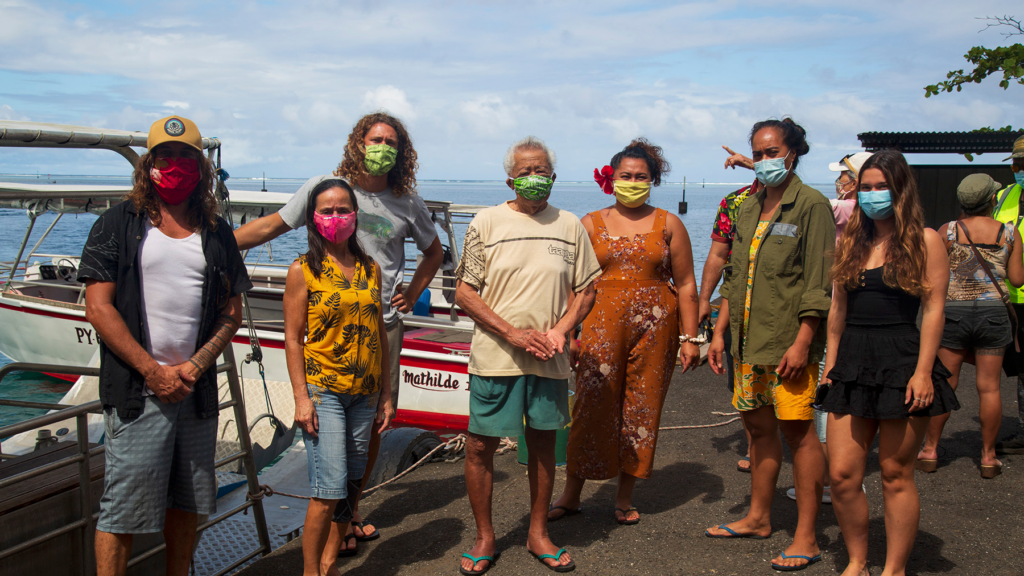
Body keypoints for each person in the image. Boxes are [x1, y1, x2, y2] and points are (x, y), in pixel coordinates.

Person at [234, 112, 443, 552]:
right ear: (358, 143)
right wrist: (217, 244)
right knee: (329, 432)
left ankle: (352, 511)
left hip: (380, 326)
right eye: (375, 139)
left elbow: (433, 251)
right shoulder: (327, 189)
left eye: (391, 141)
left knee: (371, 431)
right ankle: (335, 520)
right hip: (331, 326)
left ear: (401, 152)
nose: (382, 147)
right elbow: (274, 224)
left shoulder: (406, 201)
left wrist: (412, 291)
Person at [78, 116, 251, 576]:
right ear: (148, 164)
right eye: (165, 157)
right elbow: (98, 308)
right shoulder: (117, 223)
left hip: (196, 395)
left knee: (189, 504)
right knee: (122, 511)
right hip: (138, 394)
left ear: (202, 168)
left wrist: (194, 366)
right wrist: (153, 372)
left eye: (185, 158)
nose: (175, 165)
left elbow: (231, 312)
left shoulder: (216, 233)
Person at [454, 136, 601, 575]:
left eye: (541, 171)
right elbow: (464, 291)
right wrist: (514, 334)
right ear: (510, 178)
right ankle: (485, 537)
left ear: (553, 178)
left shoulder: (570, 225)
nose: (533, 179)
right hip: (496, 357)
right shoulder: (486, 221)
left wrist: (558, 332)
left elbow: (587, 290)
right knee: (479, 445)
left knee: (541, 446)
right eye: (525, 172)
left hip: (550, 358)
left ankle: (538, 533)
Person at [548, 138, 700, 526]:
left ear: (653, 180)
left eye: (642, 176)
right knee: (589, 408)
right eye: (626, 176)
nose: (633, 181)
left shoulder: (670, 223)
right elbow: (573, 285)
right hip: (599, 326)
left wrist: (690, 338)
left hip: (657, 330)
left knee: (642, 409)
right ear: (611, 178)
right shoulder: (589, 223)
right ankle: (572, 492)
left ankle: (625, 495)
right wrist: (570, 333)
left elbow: (686, 285)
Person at [822, 149, 959, 576]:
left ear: (900, 190)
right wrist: (830, 363)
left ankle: (893, 569)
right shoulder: (851, 242)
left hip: (902, 358)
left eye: (882, 187)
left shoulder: (926, 240)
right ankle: (857, 560)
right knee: (842, 475)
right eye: (866, 187)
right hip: (851, 362)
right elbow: (837, 311)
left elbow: (934, 308)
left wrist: (923, 371)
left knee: (895, 473)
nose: (873, 194)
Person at [706, 118, 833, 572]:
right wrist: (718, 333)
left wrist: (803, 343)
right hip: (746, 343)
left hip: (787, 346)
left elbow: (819, 286)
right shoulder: (746, 208)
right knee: (759, 431)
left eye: (771, 152)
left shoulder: (812, 207)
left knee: (798, 435)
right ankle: (759, 518)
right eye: (757, 154)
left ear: (792, 154)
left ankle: (806, 536)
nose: (764, 161)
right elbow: (733, 279)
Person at [283, 178, 394, 576]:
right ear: (313, 218)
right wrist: (301, 397)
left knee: (350, 486)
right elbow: (293, 340)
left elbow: (379, 330)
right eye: (326, 211)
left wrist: (386, 391)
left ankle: (329, 563)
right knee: (327, 489)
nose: (336, 217)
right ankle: (310, 571)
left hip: (364, 394)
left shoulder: (370, 269)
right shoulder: (303, 270)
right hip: (324, 390)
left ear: (355, 215)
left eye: (343, 209)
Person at [916, 174, 1023, 478]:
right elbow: (1016, 280)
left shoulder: (947, 231)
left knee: (945, 383)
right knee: (989, 388)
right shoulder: (1009, 232)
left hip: (953, 313)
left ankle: (930, 450)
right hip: (993, 314)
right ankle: (988, 457)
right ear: (992, 200)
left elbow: (931, 274)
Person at [698, 146, 759, 473]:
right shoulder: (734, 203)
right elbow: (718, 255)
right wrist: (704, 299)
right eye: (759, 155)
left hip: (785, 308)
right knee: (742, 382)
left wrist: (751, 164)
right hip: (737, 305)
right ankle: (754, 447)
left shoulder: (804, 202)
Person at [993, 134, 1024, 456]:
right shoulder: (1004, 196)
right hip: (1007, 297)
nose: (1020, 168)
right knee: (1018, 368)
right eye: (1017, 163)